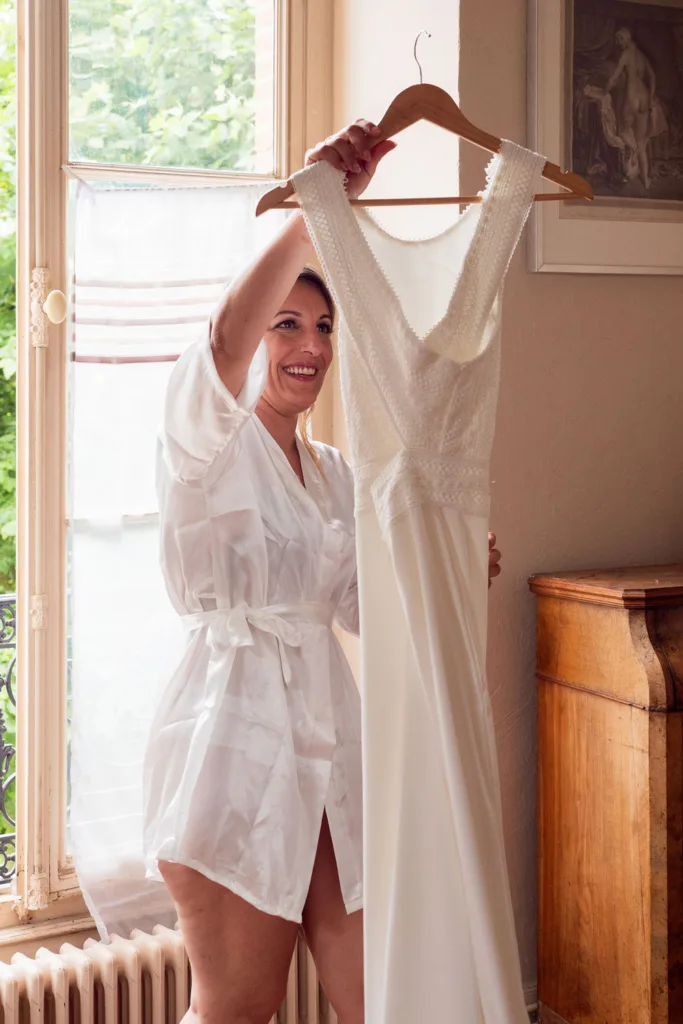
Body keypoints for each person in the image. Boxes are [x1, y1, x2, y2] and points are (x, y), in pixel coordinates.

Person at [147, 119, 503, 1024]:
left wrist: (452, 564)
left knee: (378, 999)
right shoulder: (205, 443)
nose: (307, 346)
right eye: (287, 326)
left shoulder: (338, 473)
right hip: (233, 754)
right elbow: (225, 335)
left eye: (322, 326)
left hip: (333, 754)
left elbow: (362, 608)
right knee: (237, 1007)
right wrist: (316, 210)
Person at [604, 27, 658, 190]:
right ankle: (646, 180)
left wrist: (604, 90)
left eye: (620, 40)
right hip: (644, 99)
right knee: (642, 143)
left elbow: (615, 77)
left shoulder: (626, 54)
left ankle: (633, 150)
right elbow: (652, 76)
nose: (618, 43)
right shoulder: (642, 56)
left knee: (621, 132)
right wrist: (651, 96)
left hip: (631, 99)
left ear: (626, 39)